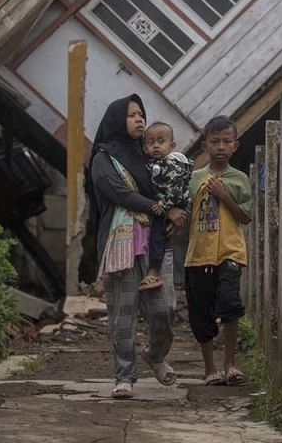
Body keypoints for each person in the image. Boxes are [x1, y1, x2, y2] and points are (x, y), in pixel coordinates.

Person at [87, 95, 185, 398]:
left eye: (141, 114)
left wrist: (177, 211)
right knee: (122, 313)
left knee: (164, 309)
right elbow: (119, 193)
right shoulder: (103, 158)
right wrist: (161, 208)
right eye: (131, 115)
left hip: (154, 243)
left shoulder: (151, 155)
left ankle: (155, 355)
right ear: (117, 119)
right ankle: (125, 376)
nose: (139, 119)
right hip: (120, 243)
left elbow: (172, 190)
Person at [184, 116, 252, 386]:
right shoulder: (194, 179)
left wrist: (224, 195)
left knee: (230, 305)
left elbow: (245, 216)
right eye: (214, 142)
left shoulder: (239, 179)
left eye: (226, 142)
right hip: (198, 254)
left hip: (230, 252)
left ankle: (230, 364)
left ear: (236, 145)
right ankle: (210, 368)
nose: (220, 147)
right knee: (201, 314)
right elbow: (184, 213)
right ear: (205, 146)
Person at [139, 122, 192, 292]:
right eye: (151, 142)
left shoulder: (171, 164)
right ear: (145, 147)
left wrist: (163, 206)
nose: (156, 146)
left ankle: (154, 270)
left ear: (172, 145)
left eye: (161, 141)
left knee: (157, 234)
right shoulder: (155, 164)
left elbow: (175, 192)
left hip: (173, 204)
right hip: (168, 205)